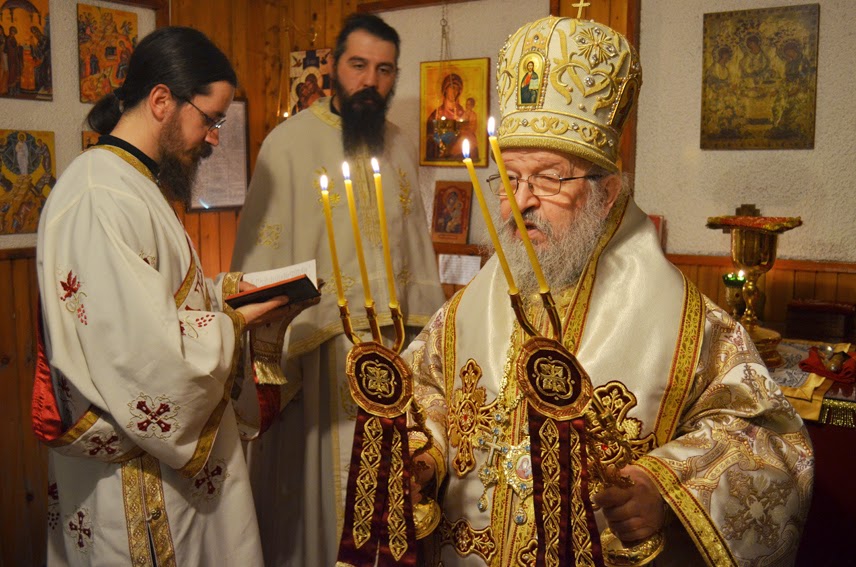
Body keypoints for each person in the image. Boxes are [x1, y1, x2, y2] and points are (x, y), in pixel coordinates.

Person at [405, 16, 814, 566]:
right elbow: (425, 387)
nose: (521, 202)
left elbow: (772, 443)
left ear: (607, 192)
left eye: (548, 177)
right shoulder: (479, 296)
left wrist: (665, 486)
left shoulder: (682, 319)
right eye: (509, 178)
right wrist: (424, 455)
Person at [31, 26, 316, 566]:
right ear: (162, 100)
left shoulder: (131, 184)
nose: (214, 138)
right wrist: (235, 322)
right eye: (211, 119)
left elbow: (156, 306)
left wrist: (230, 295)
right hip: (135, 478)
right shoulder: (99, 196)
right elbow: (143, 356)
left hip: (168, 471)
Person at [230, 12, 445, 566]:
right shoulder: (287, 145)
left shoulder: (399, 146)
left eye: (384, 69)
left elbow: (412, 249)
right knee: (318, 503)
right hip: (316, 356)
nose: (370, 81)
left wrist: (424, 343)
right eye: (358, 65)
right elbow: (262, 258)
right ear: (332, 65)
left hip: (393, 353)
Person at [426, 72, 467, 160]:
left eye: (457, 89)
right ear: (445, 89)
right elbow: (430, 136)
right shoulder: (435, 115)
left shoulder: (463, 114)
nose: (454, 91)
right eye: (451, 87)